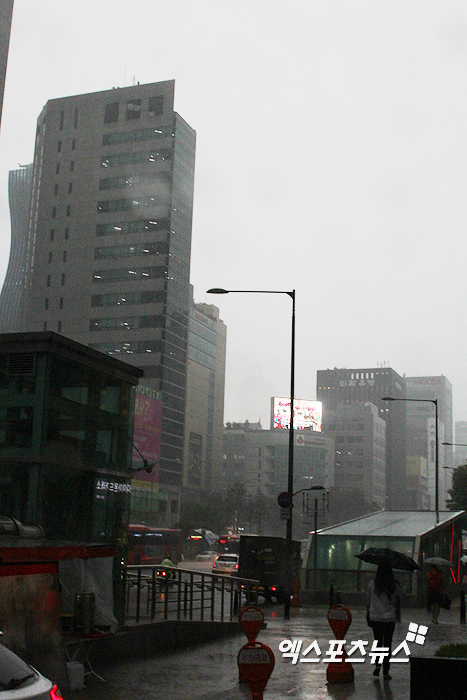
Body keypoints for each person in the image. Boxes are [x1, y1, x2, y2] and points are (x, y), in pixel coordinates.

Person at [367, 562, 402, 680]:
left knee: (377, 642)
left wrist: (368, 614)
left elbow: (368, 600)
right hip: (389, 619)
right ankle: (386, 671)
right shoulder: (393, 585)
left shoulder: (372, 584)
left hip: (375, 617)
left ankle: (377, 665)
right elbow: (396, 601)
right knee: (387, 644)